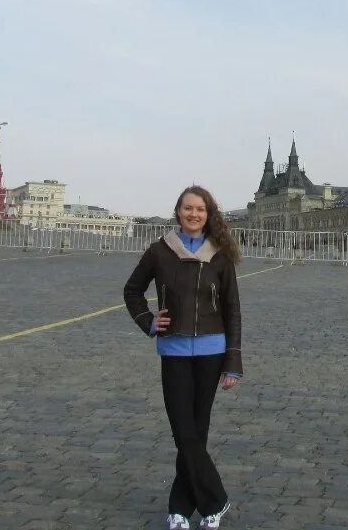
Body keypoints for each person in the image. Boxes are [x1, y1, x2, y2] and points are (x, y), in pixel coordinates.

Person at [124, 186, 243, 530]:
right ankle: (216, 500)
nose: (194, 214)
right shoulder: (160, 251)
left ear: (208, 214)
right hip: (174, 351)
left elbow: (233, 309)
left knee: (196, 432)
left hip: (211, 351)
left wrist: (233, 360)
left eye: (200, 209)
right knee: (183, 432)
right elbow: (132, 291)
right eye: (188, 208)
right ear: (178, 212)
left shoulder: (219, 255)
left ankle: (181, 508)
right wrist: (148, 322)